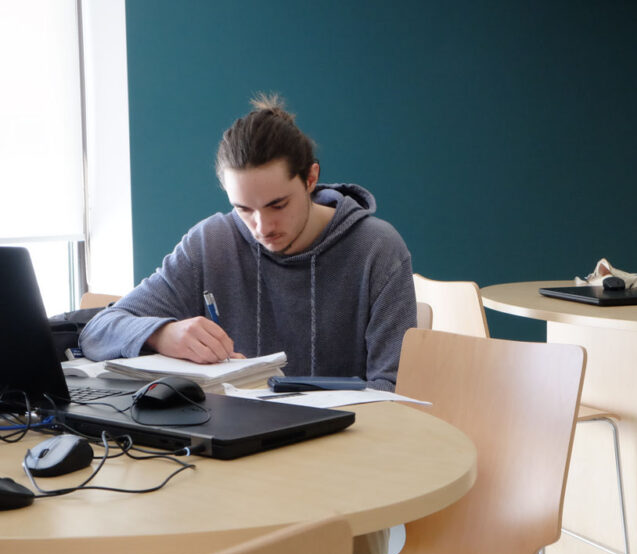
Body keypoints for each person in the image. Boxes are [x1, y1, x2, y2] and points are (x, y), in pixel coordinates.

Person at [80, 94, 417, 391]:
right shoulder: (211, 243)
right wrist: (162, 335)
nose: (262, 227)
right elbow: (97, 331)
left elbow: (394, 389)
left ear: (310, 179)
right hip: (236, 438)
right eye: (244, 209)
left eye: (278, 205)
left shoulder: (378, 249)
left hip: (350, 437)